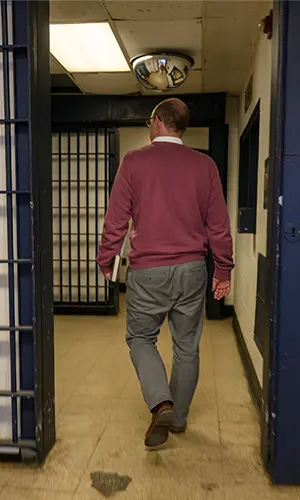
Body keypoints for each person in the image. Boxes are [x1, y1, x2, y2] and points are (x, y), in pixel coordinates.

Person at [96, 98, 234, 448]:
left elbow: (116, 220)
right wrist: (223, 269)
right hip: (192, 270)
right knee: (187, 347)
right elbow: (218, 225)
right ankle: (180, 419)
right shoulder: (205, 166)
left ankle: (161, 403)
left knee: (141, 338)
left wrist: (106, 259)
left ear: (157, 122)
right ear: (181, 127)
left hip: (148, 271)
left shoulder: (134, 162)